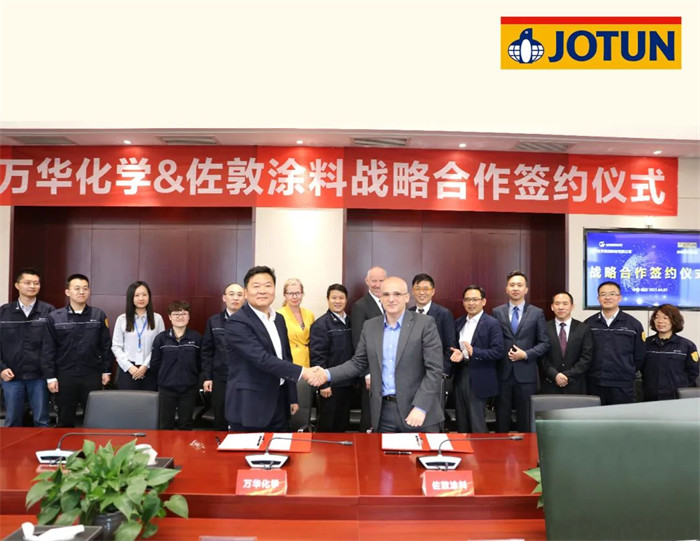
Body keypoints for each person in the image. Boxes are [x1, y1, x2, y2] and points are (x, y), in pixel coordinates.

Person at [308, 276, 444, 433]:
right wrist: (326, 374)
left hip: (419, 412)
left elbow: (434, 370)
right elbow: (357, 363)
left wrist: (421, 407)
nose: (391, 299)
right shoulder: (370, 326)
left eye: (397, 294)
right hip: (384, 413)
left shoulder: (425, 323)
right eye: (386, 294)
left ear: (407, 297)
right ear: (381, 298)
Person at [225, 266, 316, 432]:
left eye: (268, 285)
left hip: (280, 401)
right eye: (256, 286)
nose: (262, 291)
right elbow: (261, 358)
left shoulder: (278, 319)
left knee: (280, 446)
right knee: (250, 448)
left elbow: (285, 357)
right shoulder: (237, 322)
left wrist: (292, 396)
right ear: (246, 292)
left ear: (274, 290)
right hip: (251, 403)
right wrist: (304, 372)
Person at [42, 273, 114, 428]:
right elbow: (48, 349)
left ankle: (92, 444)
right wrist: (50, 377)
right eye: (77, 288)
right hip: (65, 375)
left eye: (85, 288)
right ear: (67, 292)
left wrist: (106, 370)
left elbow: (106, 345)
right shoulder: (55, 317)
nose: (82, 292)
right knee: (65, 419)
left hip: (92, 374)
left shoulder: (98, 315)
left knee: (94, 417)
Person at [492, 271, 550, 433]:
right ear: (506, 289)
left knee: (525, 417)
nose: (515, 288)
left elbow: (545, 343)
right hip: (503, 372)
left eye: (519, 285)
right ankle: (501, 446)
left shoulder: (537, 313)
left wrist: (526, 354)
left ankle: (525, 447)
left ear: (526, 289)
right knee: (501, 415)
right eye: (512, 285)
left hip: (526, 373)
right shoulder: (497, 311)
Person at [0, 268, 55, 427]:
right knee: (12, 421)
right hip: (11, 376)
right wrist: (1, 368)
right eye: (27, 283)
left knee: (42, 420)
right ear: (17, 285)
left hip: (39, 376)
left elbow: (52, 345)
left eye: (36, 283)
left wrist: (50, 374)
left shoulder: (48, 311)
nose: (32, 286)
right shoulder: (4, 312)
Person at [449, 285, 504, 433]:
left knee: (477, 423)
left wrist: (475, 352)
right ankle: (464, 448)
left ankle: (481, 449)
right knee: (462, 421)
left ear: (483, 301)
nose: (471, 303)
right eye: (467, 299)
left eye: (475, 299)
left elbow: (498, 351)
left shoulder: (492, 323)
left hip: (480, 377)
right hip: (461, 374)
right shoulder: (459, 322)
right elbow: (458, 348)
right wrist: (460, 354)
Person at [584, 281, 646, 405]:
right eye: (603, 294)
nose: (607, 298)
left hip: (623, 384)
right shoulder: (588, 324)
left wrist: (626, 370)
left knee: (621, 416)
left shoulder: (633, 324)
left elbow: (640, 355)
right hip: (595, 383)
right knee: (595, 416)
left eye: (612, 294)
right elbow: (584, 353)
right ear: (598, 298)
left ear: (619, 298)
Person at [150, 300, 205, 430]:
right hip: (166, 389)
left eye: (184, 313)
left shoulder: (196, 338)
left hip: (189, 389)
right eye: (176, 314)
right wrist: (163, 379)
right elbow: (155, 364)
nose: (180, 317)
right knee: (165, 425)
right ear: (170, 317)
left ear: (189, 316)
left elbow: (202, 362)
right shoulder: (161, 338)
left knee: (186, 425)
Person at [309, 284, 354, 432]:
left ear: (346, 300)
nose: (338, 301)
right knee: (328, 425)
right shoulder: (321, 324)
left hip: (348, 383)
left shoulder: (351, 321)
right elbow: (317, 357)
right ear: (328, 299)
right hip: (330, 386)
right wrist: (323, 384)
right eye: (334, 298)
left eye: (341, 298)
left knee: (343, 424)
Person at [201, 283, 245, 430]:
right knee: (220, 418)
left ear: (245, 298)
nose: (235, 298)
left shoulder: (252, 321)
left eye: (239, 295)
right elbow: (207, 351)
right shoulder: (214, 321)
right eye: (231, 294)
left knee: (244, 418)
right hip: (221, 378)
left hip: (245, 378)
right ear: (224, 298)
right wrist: (207, 377)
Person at [350, 266, 387, 432]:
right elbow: (358, 342)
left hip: (390, 370)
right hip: (371, 372)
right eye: (374, 281)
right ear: (367, 281)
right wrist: (367, 373)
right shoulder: (360, 306)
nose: (377, 284)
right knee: (370, 416)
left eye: (381, 280)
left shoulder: (390, 302)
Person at [111, 281, 165, 392]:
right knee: (128, 401)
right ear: (131, 297)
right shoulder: (122, 319)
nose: (141, 298)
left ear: (149, 297)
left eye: (144, 295)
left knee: (149, 401)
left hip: (150, 369)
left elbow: (160, 346)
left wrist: (145, 365)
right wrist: (129, 367)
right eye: (136, 295)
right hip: (128, 370)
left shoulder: (157, 319)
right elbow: (116, 347)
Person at [539, 292, 593, 395]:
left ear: (572, 307)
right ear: (552, 307)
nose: (561, 307)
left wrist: (567, 375)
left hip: (576, 384)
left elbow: (586, 357)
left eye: (565, 303)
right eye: (557, 303)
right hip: (550, 384)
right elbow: (541, 356)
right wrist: (555, 375)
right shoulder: (543, 328)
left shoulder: (583, 328)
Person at [642, 304, 698, 401]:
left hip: (676, 399)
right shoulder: (646, 344)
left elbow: (694, 373)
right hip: (650, 398)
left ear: (674, 320)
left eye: (665, 318)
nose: (660, 321)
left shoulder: (687, 346)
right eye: (657, 317)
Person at [277, 278, 315, 368]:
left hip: (308, 361)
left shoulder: (310, 314)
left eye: (298, 293)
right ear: (285, 295)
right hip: (289, 362)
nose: (294, 297)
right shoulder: (278, 315)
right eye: (290, 293)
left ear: (302, 294)